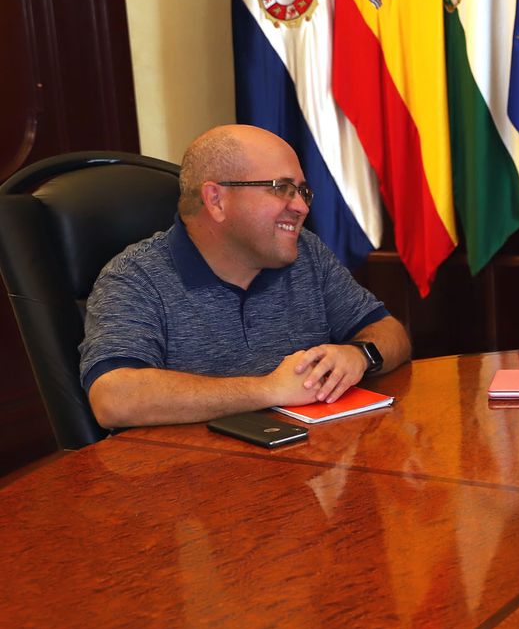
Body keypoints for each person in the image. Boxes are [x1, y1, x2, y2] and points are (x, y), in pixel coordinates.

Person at [79, 124, 411, 429]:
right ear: (216, 200)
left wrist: (359, 355)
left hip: (302, 472)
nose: (301, 207)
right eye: (282, 188)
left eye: (302, 192)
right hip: (187, 483)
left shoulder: (306, 253)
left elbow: (390, 332)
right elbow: (113, 398)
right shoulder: (136, 276)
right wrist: (269, 389)